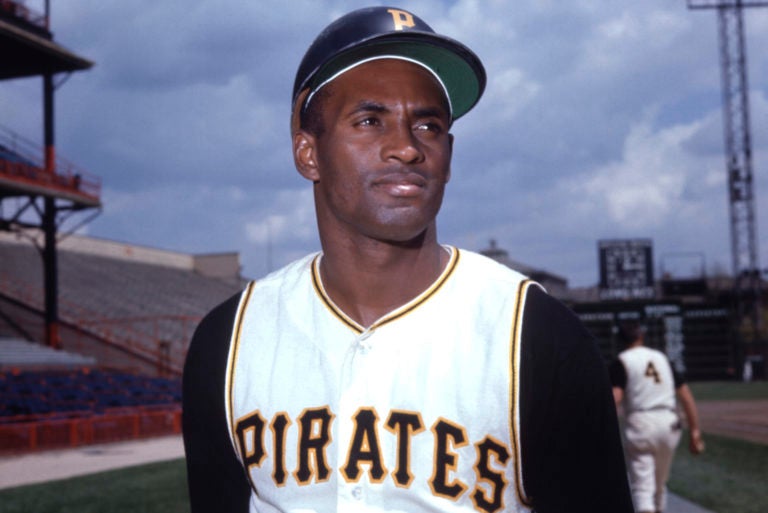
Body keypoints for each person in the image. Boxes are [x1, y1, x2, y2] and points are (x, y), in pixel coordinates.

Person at [182, 6, 633, 513]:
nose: (406, 148)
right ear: (308, 152)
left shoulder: (539, 336)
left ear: (449, 155)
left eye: (428, 126)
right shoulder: (230, 341)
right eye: (370, 120)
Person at [610, 319, 705, 513]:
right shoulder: (662, 358)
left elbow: (615, 398)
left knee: (643, 488)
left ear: (620, 340)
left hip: (642, 424)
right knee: (659, 484)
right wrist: (695, 432)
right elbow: (686, 397)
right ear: (641, 336)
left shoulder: (622, 361)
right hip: (669, 424)